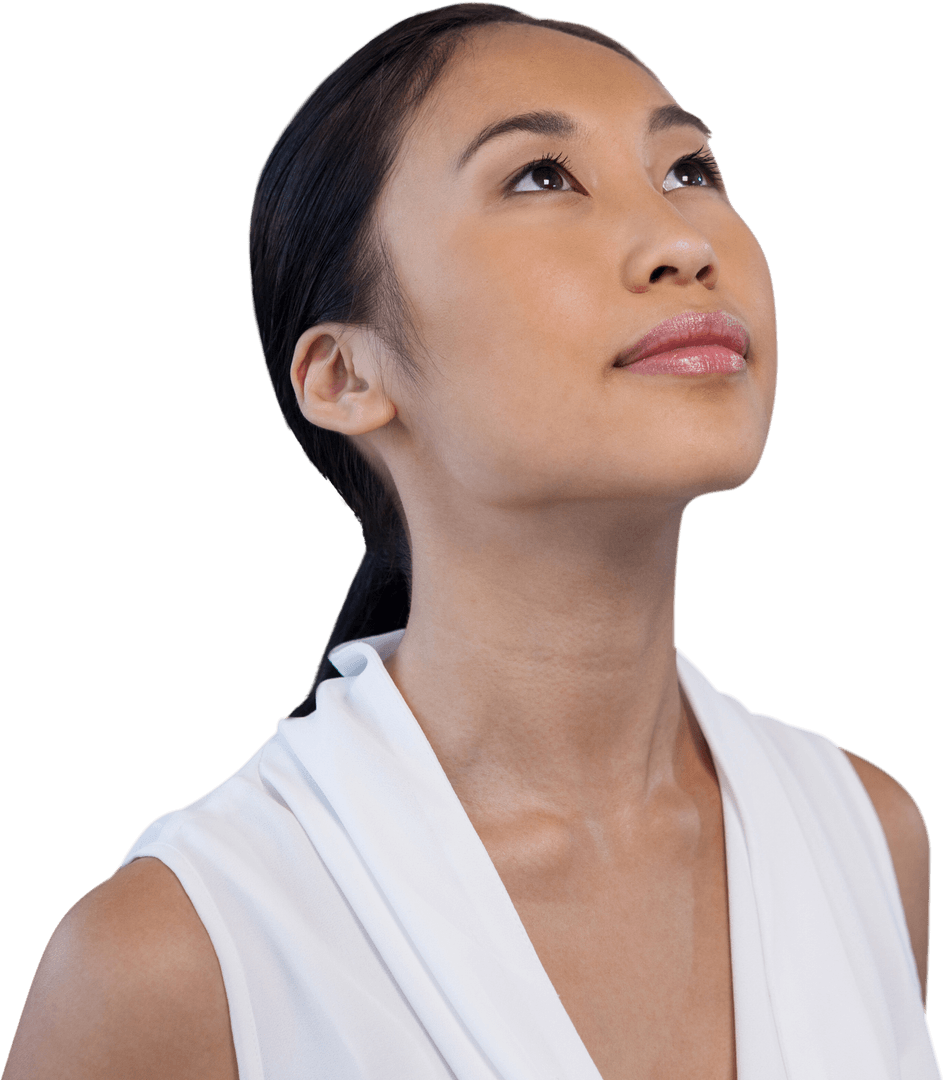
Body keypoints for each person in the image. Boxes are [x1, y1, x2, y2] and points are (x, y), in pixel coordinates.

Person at [3, 4, 937, 1078]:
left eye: (689, 169)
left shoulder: (867, 837)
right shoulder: (176, 957)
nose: (684, 243)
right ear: (346, 375)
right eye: (540, 177)